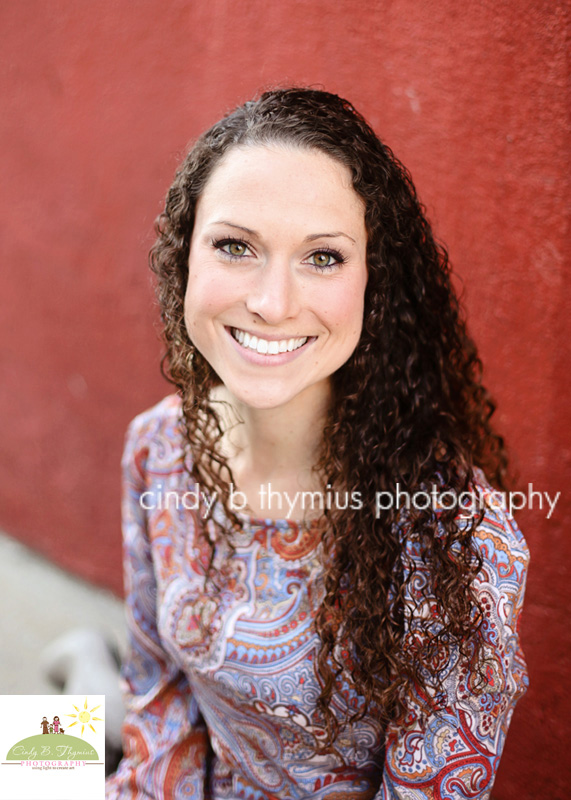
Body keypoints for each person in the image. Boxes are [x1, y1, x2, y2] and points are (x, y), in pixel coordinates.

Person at [106, 88, 529, 799]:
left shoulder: (455, 537)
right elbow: (160, 698)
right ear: (185, 258)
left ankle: (79, 670)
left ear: (374, 280)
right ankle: (78, 676)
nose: (272, 302)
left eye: (322, 257)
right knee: (24, 753)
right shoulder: (158, 447)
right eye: (235, 246)